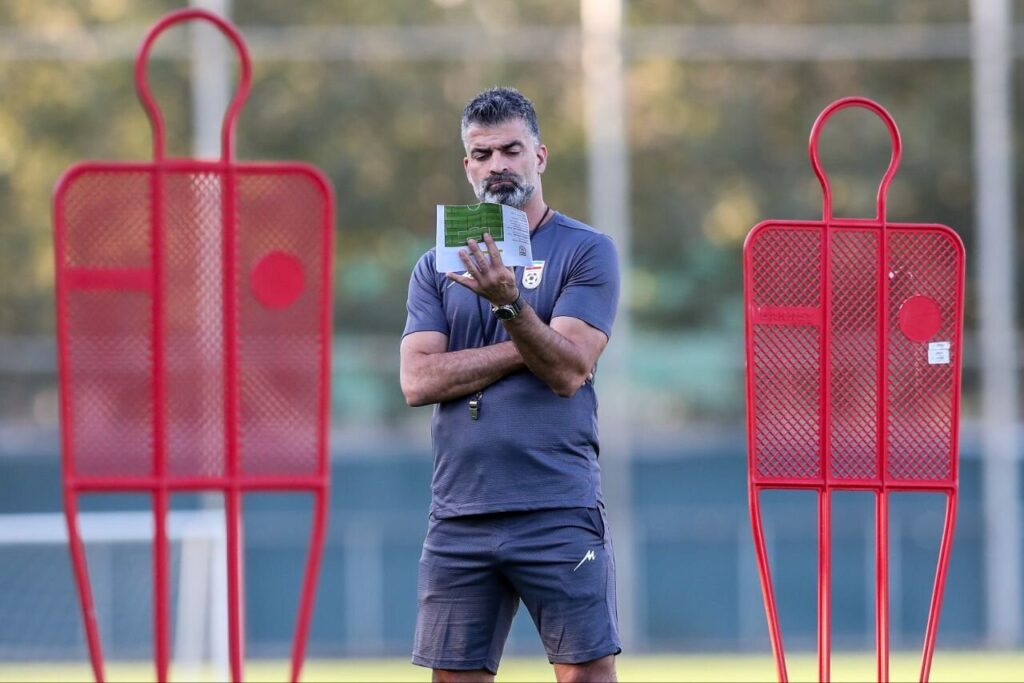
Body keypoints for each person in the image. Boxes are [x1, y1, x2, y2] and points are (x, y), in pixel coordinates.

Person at [400, 87, 621, 683]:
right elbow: (417, 380)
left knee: (586, 674)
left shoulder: (586, 250)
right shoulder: (437, 264)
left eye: (511, 150)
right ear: (467, 166)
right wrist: (528, 338)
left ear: (539, 156)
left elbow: (568, 371)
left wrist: (509, 305)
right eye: (483, 154)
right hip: (460, 512)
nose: (497, 164)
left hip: (556, 505)